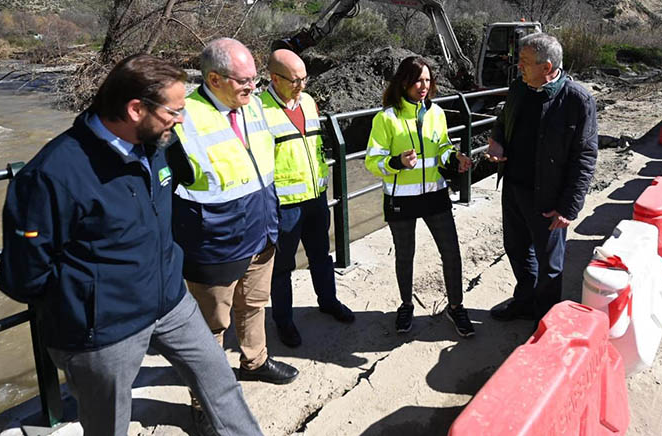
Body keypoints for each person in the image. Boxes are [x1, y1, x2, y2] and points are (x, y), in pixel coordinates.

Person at [0, 55, 262, 436]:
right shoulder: (51, 175)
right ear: (136, 109)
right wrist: (89, 304)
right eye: (175, 110)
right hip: (104, 331)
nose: (183, 119)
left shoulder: (160, 143)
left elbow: (178, 185)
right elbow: (23, 276)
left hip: (172, 303)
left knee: (223, 390)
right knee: (109, 428)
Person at [171, 38, 298, 385]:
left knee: (254, 305)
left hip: (261, 231)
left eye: (254, 79)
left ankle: (255, 362)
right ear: (213, 79)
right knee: (210, 327)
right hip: (214, 245)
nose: (253, 87)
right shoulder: (182, 118)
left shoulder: (252, 106)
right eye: (244, 80)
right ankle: (207, 396)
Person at [484, 32, 598, 321]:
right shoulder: (519, 88)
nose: (518, 67)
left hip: (549, 197)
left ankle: (545, 320)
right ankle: (523, 302)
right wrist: (497, 141)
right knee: (517, 250)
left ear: (547, 67)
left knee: (550, 264)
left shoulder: (577, 100)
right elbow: (502, 121)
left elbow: (585, 157)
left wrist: (569, 207)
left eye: (524, 62)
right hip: (514, 188)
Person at [365, 56, 475, 337]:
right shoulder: (385, 118)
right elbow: (371, 161)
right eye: (417, 80)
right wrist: (397, 162)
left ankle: (456, 306)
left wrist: (455, 159)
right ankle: (405, 306)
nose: (423, 86)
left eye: (427, 80)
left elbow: (442, 148)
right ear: (404, 82)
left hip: (435, 195)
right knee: (405, 255)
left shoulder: (437, 113)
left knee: (451, 251)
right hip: (401, 198)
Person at [260, 49, 355, 348]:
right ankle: (284, 322)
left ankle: (328, 301)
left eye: (304, 78)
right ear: (275, 78)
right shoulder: (258, 109)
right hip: (284, 204)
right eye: (295, 79)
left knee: (321, 256)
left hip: (316, 197)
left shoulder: (310, 102)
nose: (302, 84)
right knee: (282, 267)